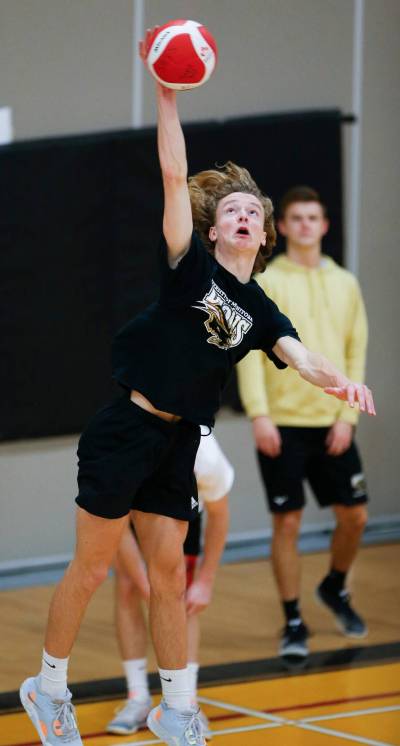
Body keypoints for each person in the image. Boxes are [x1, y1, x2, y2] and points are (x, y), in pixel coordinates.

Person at [20, 26, 375, 746]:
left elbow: (297, 353)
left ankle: (177, 709)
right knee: (91, 571)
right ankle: (48, 686)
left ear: (264, 236)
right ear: (215, 230)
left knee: (168, 580)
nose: (245, 215)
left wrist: (341, 384)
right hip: (127, 427)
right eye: (234, 210)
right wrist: (167, 96)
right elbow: (174, 172)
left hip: (181, 438)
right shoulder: (190, 265)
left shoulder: (262, 307)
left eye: (256, 212)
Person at [237, 186, 370, 666]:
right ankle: (293, 619)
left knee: (354, 516)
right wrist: (260, 415)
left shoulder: (345, 283)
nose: (306, 225)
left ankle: (334, 586)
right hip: (283, 424)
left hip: (332, 422)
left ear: (324, 225)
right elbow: (251, 350)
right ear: (285, 227)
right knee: (287, 522)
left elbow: (356, 349)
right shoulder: (267, 281)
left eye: (314, 217)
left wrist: (347, 416)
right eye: (297, 218)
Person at [107, 431, 232, 737]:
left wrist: (206, 579)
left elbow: (219, 514)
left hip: (181, 515)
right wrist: (141, 579)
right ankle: (137, 697)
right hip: (130, 518)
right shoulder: (129, 443)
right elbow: (115, 523)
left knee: (183, 595)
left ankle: (185, 702)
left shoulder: (204, 452)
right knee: (127, 585)